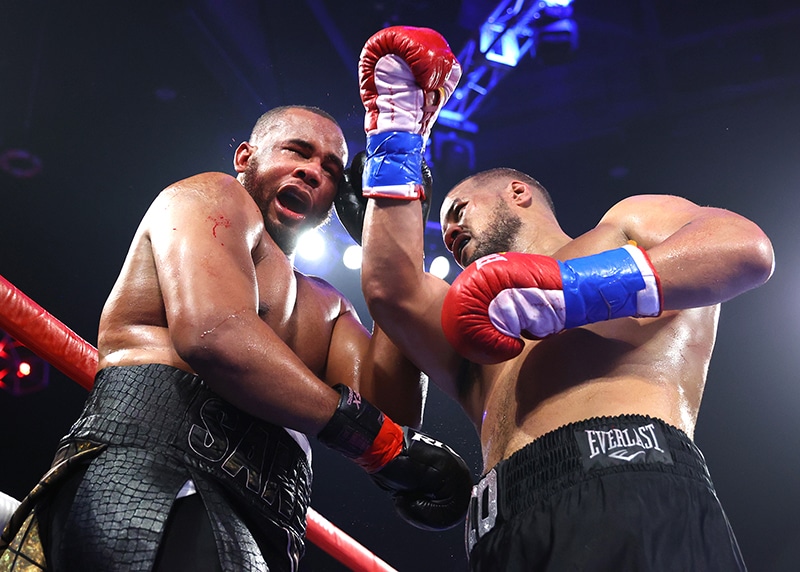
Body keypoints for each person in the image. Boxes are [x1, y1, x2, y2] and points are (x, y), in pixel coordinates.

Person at [343, 26, 775, 572]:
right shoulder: (476, 319)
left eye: (457, 211)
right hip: (502, 536)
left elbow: (746, 249)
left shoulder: (624, 224)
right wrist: (399, 127)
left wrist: (566, 293)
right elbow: (391, 289)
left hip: (625, 484)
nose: (449, 234)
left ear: (516, 194)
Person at [0, 105, 474, 572]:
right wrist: (377, 441)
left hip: (265, 527)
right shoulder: (213, 197)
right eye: (298, 152)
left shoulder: (329, 306)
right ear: (246, 157)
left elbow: (392, 415)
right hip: (158, 477)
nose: (312, 172)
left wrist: (391, 242)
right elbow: (214, 334)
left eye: (330, 169)